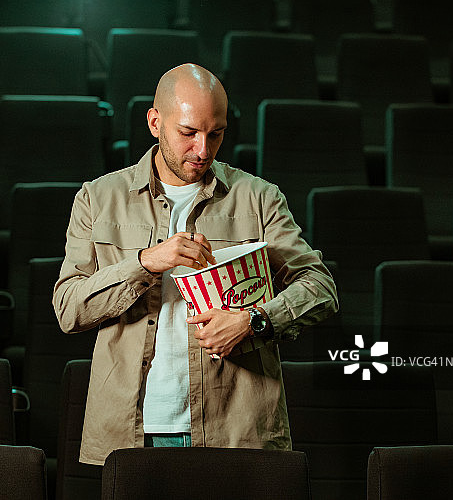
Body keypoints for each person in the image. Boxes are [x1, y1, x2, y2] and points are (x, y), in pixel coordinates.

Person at [53, 63, 338, 465]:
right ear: (155, 122)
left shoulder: (259, 198)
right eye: (188, 133)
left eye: (215, 133)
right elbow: (68, 308)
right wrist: (147, 262)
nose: (203, 150)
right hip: (134, 431)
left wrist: (256, 321)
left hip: (238, 431)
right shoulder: (97, 198)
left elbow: (321, 287)